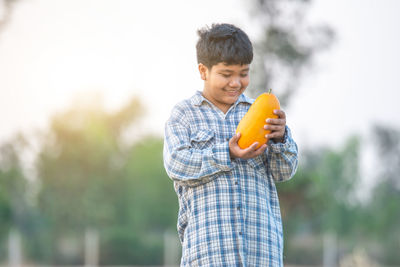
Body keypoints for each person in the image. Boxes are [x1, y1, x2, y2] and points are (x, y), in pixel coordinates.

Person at [163, 23, 298, 267]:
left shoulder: (261, 112)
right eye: (226, 74)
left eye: (244, 73)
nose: (236, 83)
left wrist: (280, 139)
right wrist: (226, 152)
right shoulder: (184, 115)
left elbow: (284, 171)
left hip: (261, 254)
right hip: (208, 255)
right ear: (203, 71)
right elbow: (176, 164)